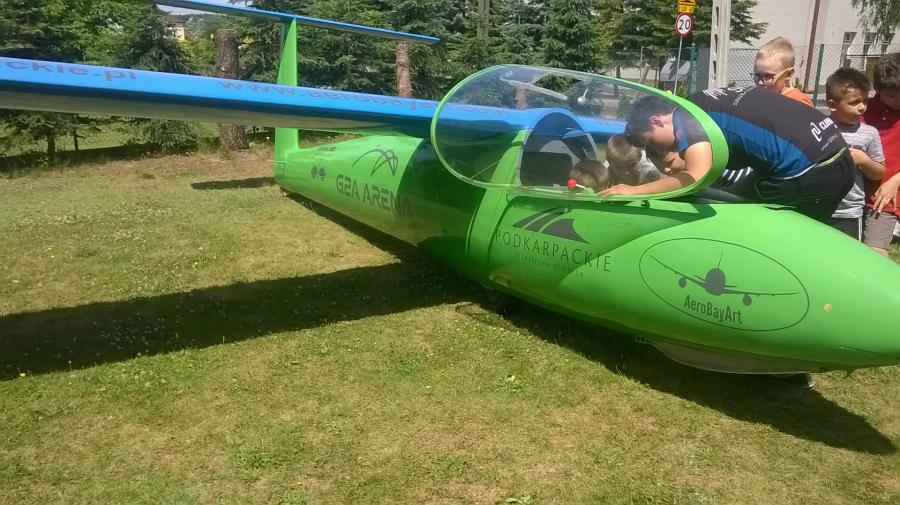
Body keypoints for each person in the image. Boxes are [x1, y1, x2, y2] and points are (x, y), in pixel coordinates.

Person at [603, 87, 855, 223]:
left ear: (656, 121)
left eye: (651, 142)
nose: (657, 150)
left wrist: (635, 191)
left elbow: (695, 177)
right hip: (838, 157)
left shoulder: (686, 118)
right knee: (734, 204)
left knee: (747, 232)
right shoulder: (703, 101)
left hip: (809, 171)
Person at [825, 68, 885, 240]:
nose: (862, 107)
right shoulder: (820, 128)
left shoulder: (869, 133)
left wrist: (864, 161)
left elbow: (879, 172)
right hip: (818, 206)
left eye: (865, 101)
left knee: (846, 255)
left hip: (849, 212)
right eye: (854, 102)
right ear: (832, 105)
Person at [863, 53, 900, 256]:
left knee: (875, 251)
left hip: (885, 199)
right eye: (891, 96)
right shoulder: (865, 109)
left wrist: (896, 181)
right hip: (858, 192)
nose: (898, 101)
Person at [754, 37, 813, 106]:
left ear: (788, 74)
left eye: (768, 77)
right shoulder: (764, 95)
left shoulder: (799, 103)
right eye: (757, 75)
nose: (760, 82)